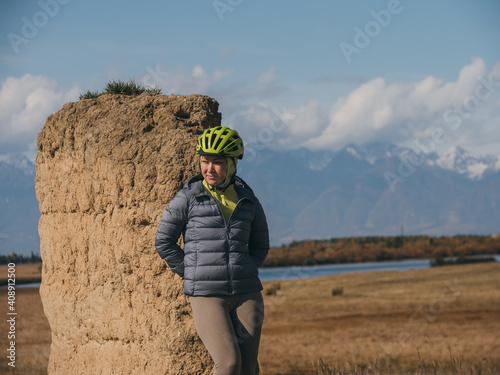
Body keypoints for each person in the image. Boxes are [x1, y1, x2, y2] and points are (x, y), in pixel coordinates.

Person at [155, 126, 270, 375]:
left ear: (232, 164)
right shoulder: (188, 198)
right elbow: (164, 241)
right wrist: (192, 272)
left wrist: (247, 267)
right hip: (207, 295)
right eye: (205, 161)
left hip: (247, 292)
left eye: (217, 162)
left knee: (249, 368)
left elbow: (261, 245)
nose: (210, 168)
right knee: (229, 364)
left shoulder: (248, 200)